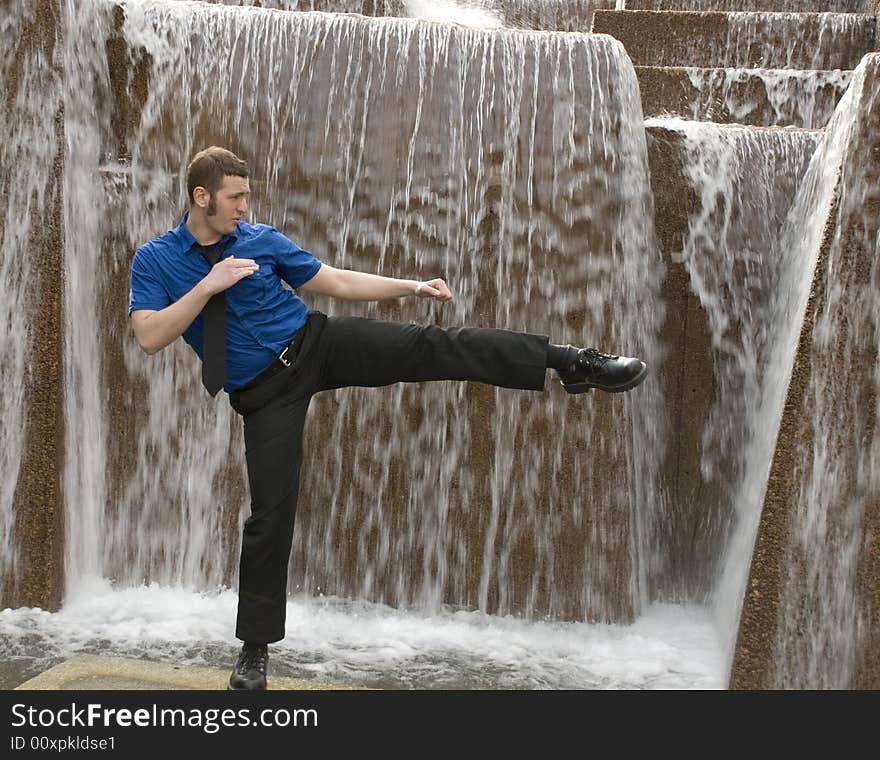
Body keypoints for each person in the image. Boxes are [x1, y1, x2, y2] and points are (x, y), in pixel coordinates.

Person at [128, 146, 648, 690]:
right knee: (269, 517)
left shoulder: (260, 240)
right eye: (234, 198)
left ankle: (571, 362)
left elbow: (336, 281)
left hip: (317, 345)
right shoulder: (157, 260)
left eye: (245, 196)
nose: (243, 207)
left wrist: (409, 288)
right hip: (263, 395)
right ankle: (254, 651)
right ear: (201, 197)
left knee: (434, 346)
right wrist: (209, 286)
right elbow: (149, 337)